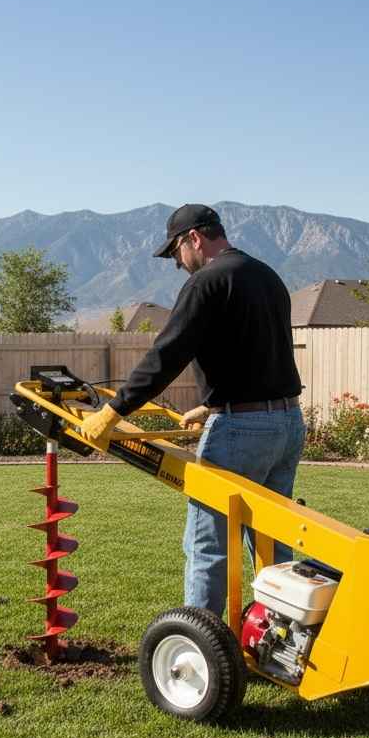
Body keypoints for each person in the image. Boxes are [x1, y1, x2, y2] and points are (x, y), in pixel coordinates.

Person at [78, 203, 305, 619]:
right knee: (273, 538)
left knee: (209, 545)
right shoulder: (266, 276)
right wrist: (212, 402)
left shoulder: (207, 281)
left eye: (175, 253)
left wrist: (112, 412)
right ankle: (279, 635)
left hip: (242, 432)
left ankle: (199, 652)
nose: (177, 264)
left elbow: (168, 354)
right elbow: (261, 352)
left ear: (194, 239)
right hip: (287, 423)